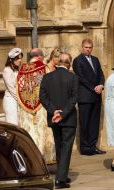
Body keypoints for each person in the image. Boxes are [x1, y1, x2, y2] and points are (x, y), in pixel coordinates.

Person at [40, 52, 78, 189]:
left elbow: (42, 97)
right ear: (69, 63)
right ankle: (60, 180)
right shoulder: (73, 78)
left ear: (58, 62)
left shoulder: (47, 77)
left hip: (54, 118)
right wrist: (63, 113)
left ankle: (63, 174)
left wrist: (53, 111)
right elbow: (74, 99)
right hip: (68, 118)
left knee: (59, 145)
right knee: (66, 147)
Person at [17, 48, 56, 164]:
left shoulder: (21, 70)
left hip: (25, 109)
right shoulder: (44, 68)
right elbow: (50, 87)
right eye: (43, 58)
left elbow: (19, 88)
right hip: (41, 106)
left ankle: (29, 157)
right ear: (39, 57)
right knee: (41, 131)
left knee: (30, 131)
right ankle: (43, 157)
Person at [72, 38, 106, 155]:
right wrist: (94, 88)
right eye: (86, 47)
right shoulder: (77, 60)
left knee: (94, 122)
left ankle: (93, 146)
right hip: (85, 97)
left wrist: (101, 85)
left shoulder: (95, 60)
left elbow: (101, 74)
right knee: (85, 122)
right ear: (82, 48)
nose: (88, 49)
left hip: (96, 96)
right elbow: (81, 78)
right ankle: (85, 148)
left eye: (90, 47)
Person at [2, 48, 23, 125]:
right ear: (11, 60)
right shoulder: (7, 70)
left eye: (20, 58)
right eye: (17, 58)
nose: (20, 60)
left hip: (18, 100)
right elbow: (11, 88)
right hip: (10, 101)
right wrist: (21, 100)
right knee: (13, 125)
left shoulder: (18, 70)